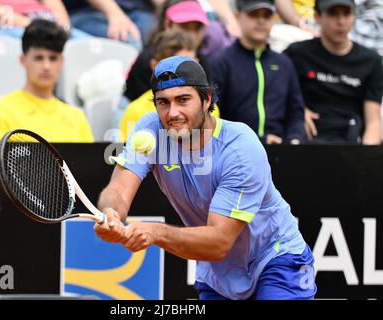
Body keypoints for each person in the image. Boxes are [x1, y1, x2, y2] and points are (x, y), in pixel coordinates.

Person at [94, 55, 317, 300]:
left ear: (206, 99)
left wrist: (156, 232)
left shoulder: (240, 148)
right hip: (217, 275)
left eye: (183, 100)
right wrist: (112, 213)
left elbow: (219, 241)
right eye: (163, 102)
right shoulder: (151, 130)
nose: (173, 112)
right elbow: (117, 190)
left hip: (277, 259)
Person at [284, 0, 383, 144]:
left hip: (350, 143)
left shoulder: (370, 61)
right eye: (333, 14)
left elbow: (373, 122)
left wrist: (365, 158)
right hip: (306, 139)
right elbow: (278, 95)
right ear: (317, 16)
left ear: (354, 16)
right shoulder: (297, 53)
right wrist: (298, 111)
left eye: (346, 13)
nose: (341, 21)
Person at [0, 19, 93, 142]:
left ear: (62, 62)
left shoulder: (77, 117)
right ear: (23, 60)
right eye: (38, 58)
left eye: (53, 58)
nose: (46, 66)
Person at [210, 0, 305, 144]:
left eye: (267, 15)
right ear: (237, 16)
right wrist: (259, 140)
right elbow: (214, 117)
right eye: (253, 14)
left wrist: (295, 139)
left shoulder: (284, 64)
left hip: (282, 151)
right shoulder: (220, 62)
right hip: (234, 151)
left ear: (274, 18)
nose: (261, 21)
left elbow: (296, 112)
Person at [118, 29, 220, 142]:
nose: (185, 73)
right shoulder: (135, 112)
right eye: (171, 67)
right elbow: (129, 157)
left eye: (190, 65)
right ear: (154, 66)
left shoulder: (206, 105)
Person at [64, 0, 157, 51]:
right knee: (129, 40)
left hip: (139, 11)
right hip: (86, 12)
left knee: (160, 41)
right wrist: (114, 13)